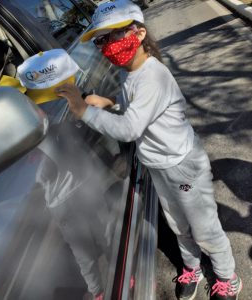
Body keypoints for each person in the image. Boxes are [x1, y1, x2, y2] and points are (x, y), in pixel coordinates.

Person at [55, 0, 242, 299]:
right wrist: (111, 104)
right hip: (159, 163)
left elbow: (130, 128)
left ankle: (226, 276)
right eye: (101, 40)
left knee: (204, 227)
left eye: (113, 35)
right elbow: (136, 109)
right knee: (178, 224)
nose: (107, 45)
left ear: (139, 33)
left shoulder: (152, 75)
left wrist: (82, 111)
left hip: (182, 164)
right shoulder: (131, 73)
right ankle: (191, 267)